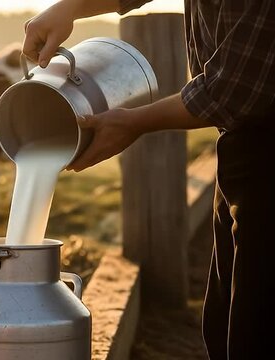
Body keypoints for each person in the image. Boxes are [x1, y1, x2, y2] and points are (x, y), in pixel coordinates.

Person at [21, 1, 274, 359]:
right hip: (239, 145)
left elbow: (236, 88)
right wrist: (70, 8)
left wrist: (135, 121)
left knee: (256, 332)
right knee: (224, 326)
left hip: (264, 143)